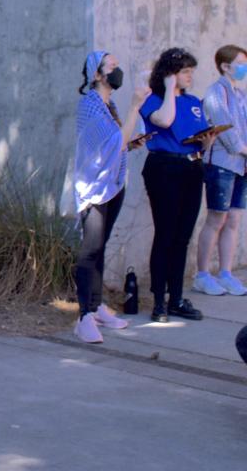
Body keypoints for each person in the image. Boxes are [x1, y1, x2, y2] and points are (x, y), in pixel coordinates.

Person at [72, 51, 149, 343]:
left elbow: (120, 142)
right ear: (97, 75)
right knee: (90, 248)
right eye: (112, 67)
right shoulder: (89, 105)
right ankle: (83, 316)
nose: (117, 71)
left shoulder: (111, 105)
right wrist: (134, 107)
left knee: (102, 246)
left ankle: (96, 305)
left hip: (114, 184)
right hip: (93, 188)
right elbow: (109, 144)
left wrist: (135, 140)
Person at [140, 48, 218, 322]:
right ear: (170, 73)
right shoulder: (154, 100)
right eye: (185, 72)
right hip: (164, 168)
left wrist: (207, 141)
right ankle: (159, 301)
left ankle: (176, 298)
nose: (190, 77)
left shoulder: (194, 101)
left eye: (190, 72)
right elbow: (165, 120)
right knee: (166, 234)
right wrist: (170, 88)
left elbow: (196, 133)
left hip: (191, 167)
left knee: (183, 236)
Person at [195, 45, 247, 296]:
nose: (243, 67)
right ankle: (202, 274)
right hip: (222, 164)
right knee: (217, 218)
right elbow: (225, 129)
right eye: (239, 62)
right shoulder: (216, 92)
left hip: (241, 166)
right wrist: (243, 149)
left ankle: (225, 273)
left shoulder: (241, 95)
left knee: (234, 219)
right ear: (225, 66)